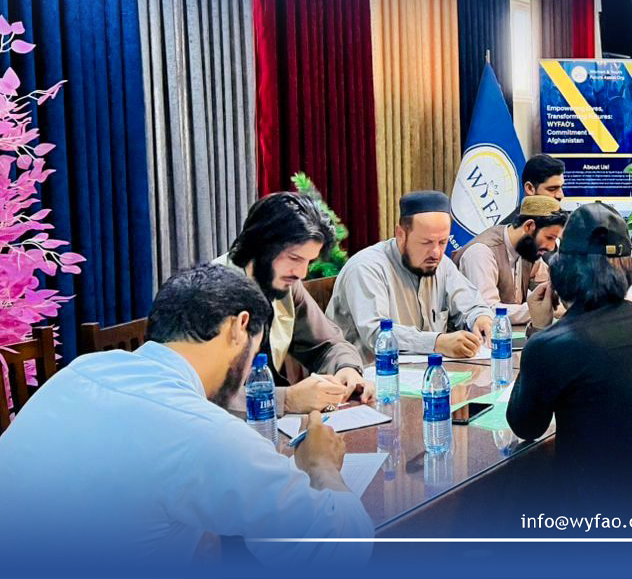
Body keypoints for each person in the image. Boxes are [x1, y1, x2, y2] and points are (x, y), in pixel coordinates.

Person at [0, 265, 373, 569]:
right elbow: (338, 550)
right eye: (255, 351)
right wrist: (322, 466)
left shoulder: (79, 372)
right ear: (238, 327)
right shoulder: (204, 432)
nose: (248, 373)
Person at [507, 203, 632, 517]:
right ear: (628, 269)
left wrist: (539, 328)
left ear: (561, 273)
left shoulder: (552, 345)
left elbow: (525, 425)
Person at [213, 192, 371, 414]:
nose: (302, 273)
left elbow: (327, 345)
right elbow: (202, 392)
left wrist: (346, 369)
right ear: (262, 246)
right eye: (295, 258)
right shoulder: (210, 292)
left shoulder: (285, 282)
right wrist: (286, 400)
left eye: (309, 261)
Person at [328, 190, 494, 359]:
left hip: (426, 371)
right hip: (367, 371)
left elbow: (471, 305)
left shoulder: (441, 264)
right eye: (426, 242)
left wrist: (480, 318)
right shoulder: (366, 268)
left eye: (442, 242)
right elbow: (377, 334)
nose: (436, 252)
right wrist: (437, 342)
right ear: (401, 235)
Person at [454, 195, 568, 324]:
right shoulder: (481, 253)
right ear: (529, 226)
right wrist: (541, 309)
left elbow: (551, 282)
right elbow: (487, 310)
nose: (551, 247)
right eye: (549, 238)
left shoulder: (527, 249)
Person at [499, 153, 566, 225]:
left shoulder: (565, 223)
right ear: (529, 188)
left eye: (561, 187)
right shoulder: (507, 230)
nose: (560, 195)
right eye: (552, 189)